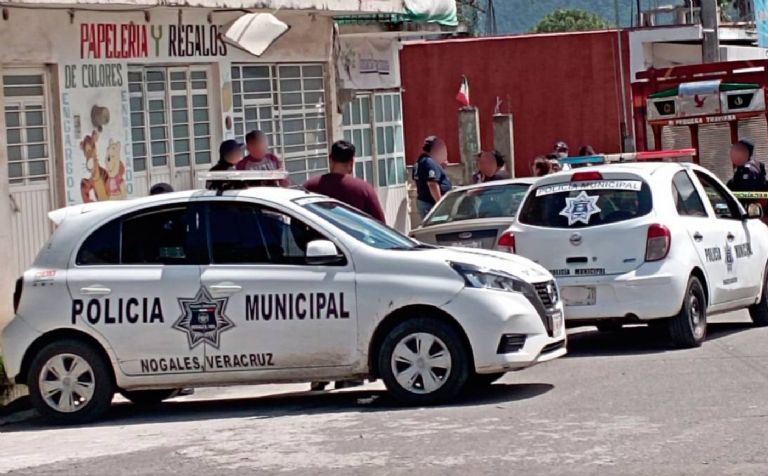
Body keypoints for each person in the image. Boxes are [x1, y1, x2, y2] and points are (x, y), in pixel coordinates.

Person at [303, 140, 386, 223]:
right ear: (351, 163)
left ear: (330, 160)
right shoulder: (364, 189)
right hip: (352, 236)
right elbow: (382, 226)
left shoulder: (309, 187)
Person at [413, 136, 452, 218]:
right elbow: (432, 184)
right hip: (431, 204)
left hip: (425, 201)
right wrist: (440, 205)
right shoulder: (429, 162)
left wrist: (440, 167)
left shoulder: (420, 160)